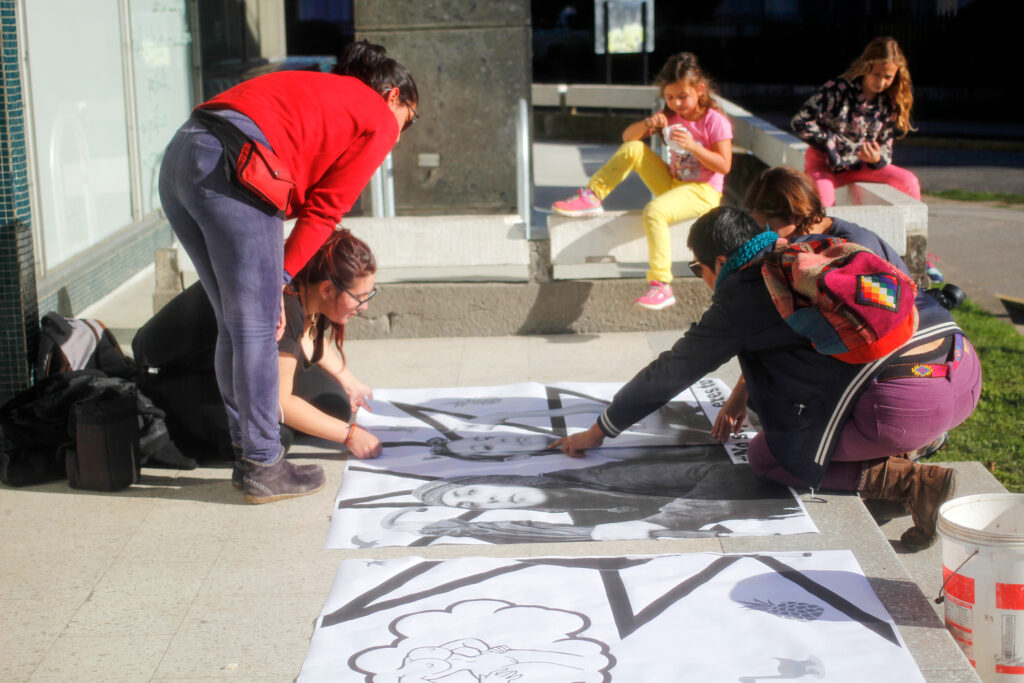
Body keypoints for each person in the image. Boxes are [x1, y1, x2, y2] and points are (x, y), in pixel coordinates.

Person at [554, 206, 981, 551]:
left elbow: (672, 369)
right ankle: (919, 441)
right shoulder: (806, 251)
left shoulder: (742, 292)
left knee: (769, 455)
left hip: (908, 404)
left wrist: (600, 430)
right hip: (962, 369)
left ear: (721, 262)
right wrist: (742, 396)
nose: (701, 279)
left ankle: (908, 481)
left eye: (697, 268)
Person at [158, 40, 417, 503]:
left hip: (183, 154)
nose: (401, 136)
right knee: (257, 327)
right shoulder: (376, 116)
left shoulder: (323, 94)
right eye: (409, 121)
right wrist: (282, 279)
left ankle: (248, 454)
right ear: (394, 96)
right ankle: (262, 463)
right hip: (237, 166)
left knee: (237, 326)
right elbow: (325, 211)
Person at [132, 230, 384, 487]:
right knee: (274, 437)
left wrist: (350, 383)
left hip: (228, 363)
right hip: (170, 367)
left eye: (369, 294)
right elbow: (278, 403)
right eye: (360, 297)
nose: (364, 307)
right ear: (328, 289)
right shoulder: (284, 305)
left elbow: (305, 337)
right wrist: (350, 435)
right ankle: (167, 420)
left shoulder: (305, 282)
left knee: (333, 404)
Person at [550, 52, 733, 310]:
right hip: (673, 183)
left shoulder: (715, 121)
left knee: (654, 211)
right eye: (670, 97)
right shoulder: (670, 114)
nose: (676, 103)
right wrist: (649, 123)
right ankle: (592, 196)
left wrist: (693, 146)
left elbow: (724, 165)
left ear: (700, 89)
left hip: (703, 191)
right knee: (633, 149)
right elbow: (628, 138)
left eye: (682, 96)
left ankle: (661, 285)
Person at [368, 450, 799, 544]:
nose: (484, 501)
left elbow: (718, 472)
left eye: (467, 491)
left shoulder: (593, 477)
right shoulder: (574, 527)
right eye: (468, 509)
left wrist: (671, 519)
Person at [791, 37, 921, 209]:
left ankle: (913, 235)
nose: (881, 82)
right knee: (824, 204)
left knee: (909, 182)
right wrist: (832, 143)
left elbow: (886, 147)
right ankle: (819, 236)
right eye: (876, 74)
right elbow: (800, 122)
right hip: (824, 164)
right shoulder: (837, 89)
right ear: (866, 67)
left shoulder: (889, 102)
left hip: (862, 165)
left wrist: (877, 158)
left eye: (888, 77)